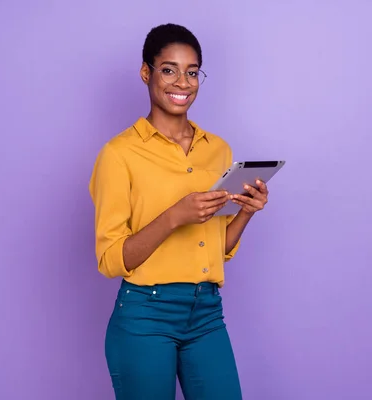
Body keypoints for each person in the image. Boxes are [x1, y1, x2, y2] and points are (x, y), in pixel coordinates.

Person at [88, 23, 269, 400]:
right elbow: (110, 260)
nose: (182, 82)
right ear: (146, 73)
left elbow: (215, 248)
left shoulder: (217, 150)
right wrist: (175, 216)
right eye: (168, 69)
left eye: (192, 71)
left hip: (206, 314)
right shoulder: (119, 154)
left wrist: (247, 212)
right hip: (145, 316)